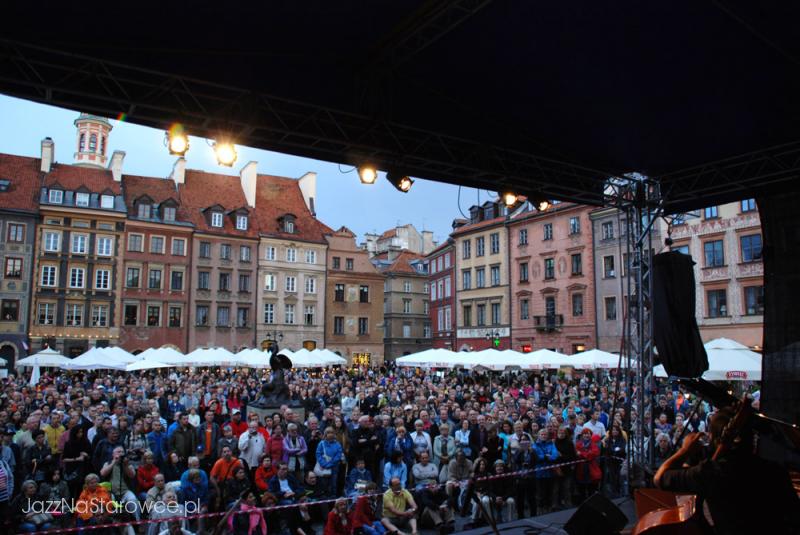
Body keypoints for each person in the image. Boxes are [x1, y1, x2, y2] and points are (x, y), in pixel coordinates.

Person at [655, 406, 800, 535]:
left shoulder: (710, 473)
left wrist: (686, 450)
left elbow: (660, 478)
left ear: (716, 440)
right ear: (753, 440)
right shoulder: (775, 471)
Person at [100, 445, 140, 521]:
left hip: (125, 492)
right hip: (111, 492)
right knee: (109, 501)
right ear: (113, 454)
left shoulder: (128, 464)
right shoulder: (108, 463)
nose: (121, 453)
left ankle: (137, 521)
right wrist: (114, 462)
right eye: (118, 452)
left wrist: (125, 465)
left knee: (133, 500)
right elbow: (102, 473)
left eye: (122, 452)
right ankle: (112, 521)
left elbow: (132, 475)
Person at [532, 429, 559, 514]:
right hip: (540, 473)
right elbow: (538, 457)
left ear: (547, 435)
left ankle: (548, 508)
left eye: (545, 434)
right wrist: (547, 456)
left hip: (550, 473)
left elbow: (555, 456)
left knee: (549, 492)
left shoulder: (551, 444)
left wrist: (547, 457)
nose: (543, 436)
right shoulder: (535, 445)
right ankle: (540, 509)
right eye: (542, 434)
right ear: (539, 435)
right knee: (540, 493)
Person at [574, 427, 601, 502]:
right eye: (585, 434)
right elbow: (577, 453)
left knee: (591, 488)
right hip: (581, 469)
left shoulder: (593, 444)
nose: (586, 435)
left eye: (588, 434)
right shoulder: (578, 444)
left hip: (591, 468)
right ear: (582, 435)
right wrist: (587, 454)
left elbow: (594, 453)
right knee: (581, 488)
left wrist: (582, 454)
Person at [316, 427, 344, 496]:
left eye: (332, 432)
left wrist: (330, 464)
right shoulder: (321, 443)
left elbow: (338, 455)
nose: (330, 434)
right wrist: (324, 464)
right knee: (324, 485)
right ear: (325, 434)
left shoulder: (337, 444)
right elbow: (318, 454)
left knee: (333, 484)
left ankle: (333, 499)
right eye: (328, 433)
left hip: (334, 467)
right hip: (323, 467)